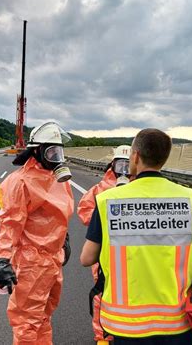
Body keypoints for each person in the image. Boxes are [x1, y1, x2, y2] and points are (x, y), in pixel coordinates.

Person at [80, 128, 192, 344]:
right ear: (164, 159)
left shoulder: (108, 200)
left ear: (136, 156)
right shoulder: (191, 199)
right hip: (178, 323)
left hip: (124, 325)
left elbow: (86, 258)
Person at [0, 122, 74, 345]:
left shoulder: (58, 180)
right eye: (51, 151)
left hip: (53, 260)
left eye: (59, 151)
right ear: (37, 151)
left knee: (44, 316)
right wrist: (3, 260)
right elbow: (9, 223)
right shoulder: (19, 182)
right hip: (31, 263)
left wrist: (64, 238)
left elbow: (61, 214)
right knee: (27, 322)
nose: (56, 157)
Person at [77, 145, 132, 344]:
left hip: (135, 254)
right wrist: (105, 221)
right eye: (120, 164)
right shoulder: (100, 190)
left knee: (133, 295)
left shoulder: (141, 188)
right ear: (112, 165)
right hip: (105, 254)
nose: (124, 170)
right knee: (103, 293)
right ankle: (103, 337)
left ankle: (129, 332)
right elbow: (84, 212)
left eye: (128, 165)